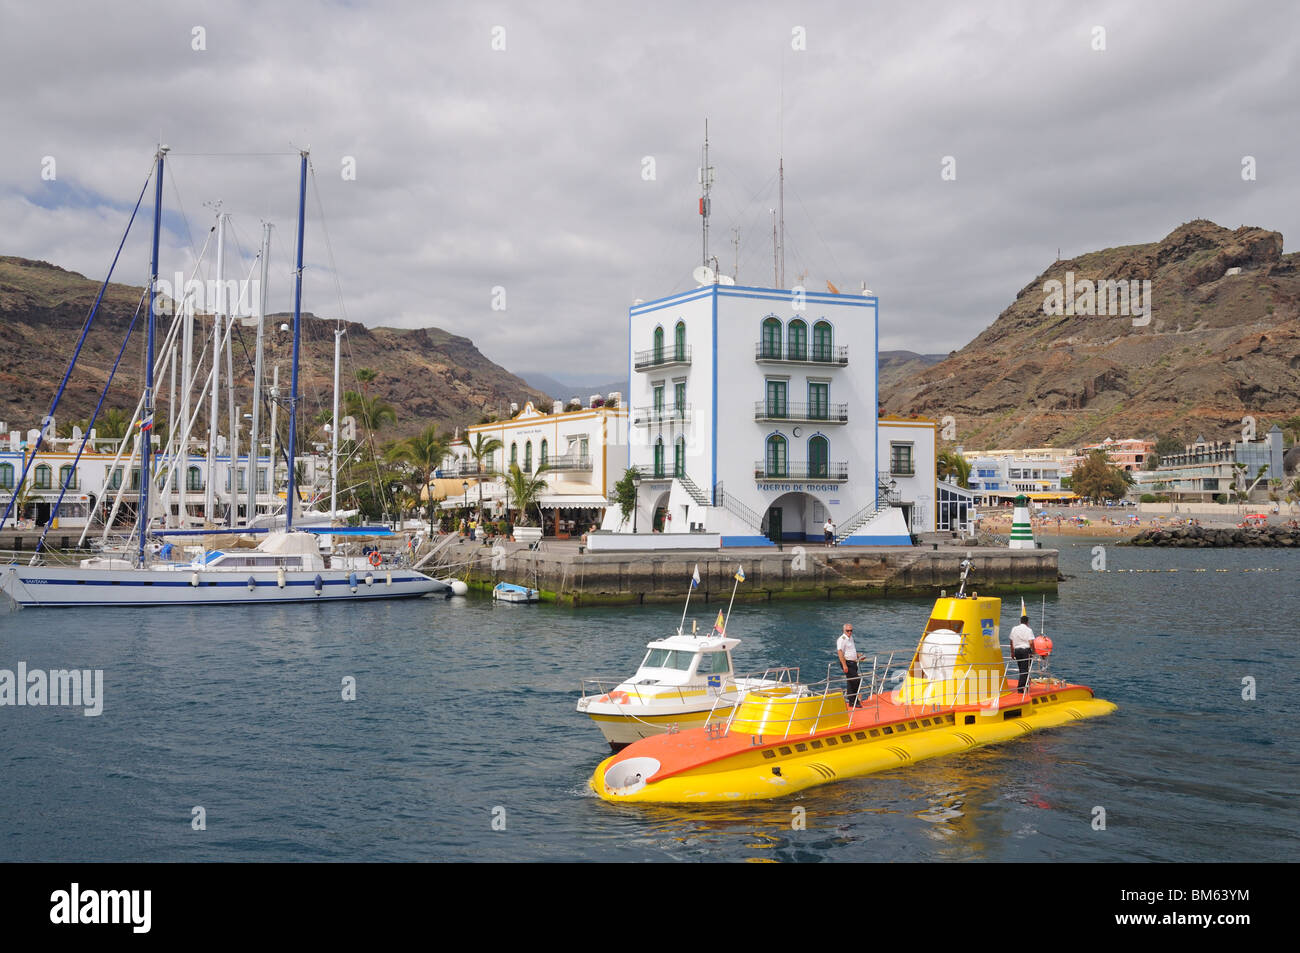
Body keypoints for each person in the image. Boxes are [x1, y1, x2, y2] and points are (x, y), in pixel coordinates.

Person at [837, 623, 862, 707]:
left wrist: (858, 655)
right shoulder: (842, 639)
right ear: (844, 631)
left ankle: (851, 701)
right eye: (848, 631)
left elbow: (850, 651)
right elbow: (840, 652)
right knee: (856, 680)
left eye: (851, 630)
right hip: (847, 663)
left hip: (853, 662)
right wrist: (844, 665)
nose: (849, 632)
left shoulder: (850, 638)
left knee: (851, 681)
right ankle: (853, 699)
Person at [1008, 613, 1035, 691]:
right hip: (1025, 651)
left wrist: (1012, 652)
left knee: (1021, 668)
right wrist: (1033, 651)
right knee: (1025, 669)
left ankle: (1025, 684)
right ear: (1027, 622)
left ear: (1020, 621)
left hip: (1017, 650)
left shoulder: (1014, 629)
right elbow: (1031, 642)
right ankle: (1021, 687)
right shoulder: (1029, 630)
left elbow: (1011, 641)